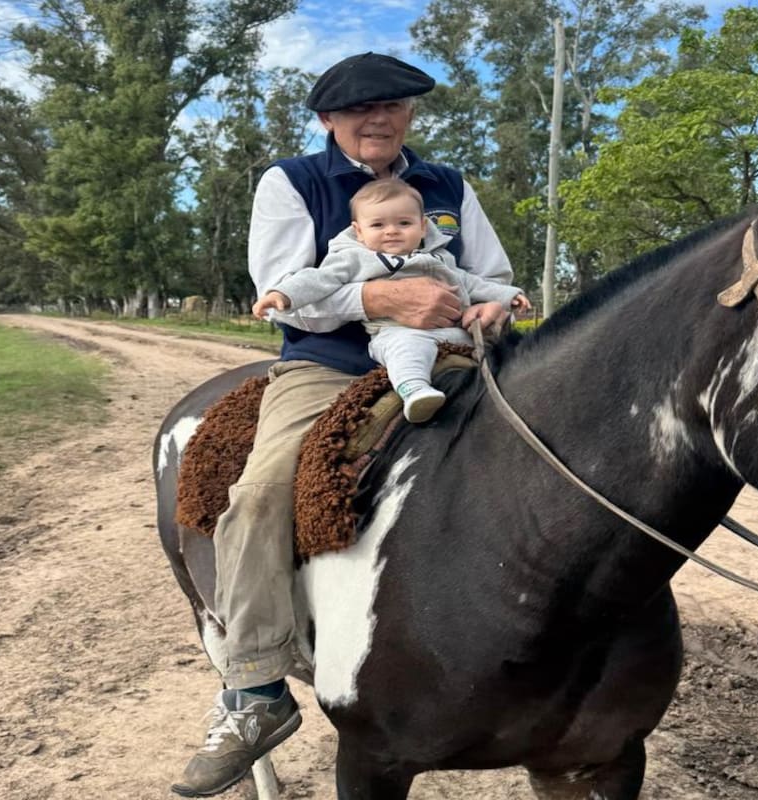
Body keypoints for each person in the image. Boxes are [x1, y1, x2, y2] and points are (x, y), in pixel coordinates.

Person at [171, 52, 516, 798]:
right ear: (329, 121)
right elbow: (283, 290)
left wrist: (491, 305)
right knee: (261, 493)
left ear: (409, 115)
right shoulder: (292, 182)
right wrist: (381, 303)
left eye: (391, 106)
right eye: (359, 111)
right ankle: (256, 690)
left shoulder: (448, 186)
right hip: (327, 366)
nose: (377, 120)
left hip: (452, 357)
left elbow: (492, 269)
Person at [252, 178, 529, 423]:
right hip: (394, 333)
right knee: (407, 349)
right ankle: (415, 389)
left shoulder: (440, 258)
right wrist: (283, 295)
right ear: (358, 231)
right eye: (378, 225)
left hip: (454, 334)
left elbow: (476, 283)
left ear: (423, 228)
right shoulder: (354, 258)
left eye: (404, 223)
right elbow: (318, 280)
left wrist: (506, 298)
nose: (391, 231)